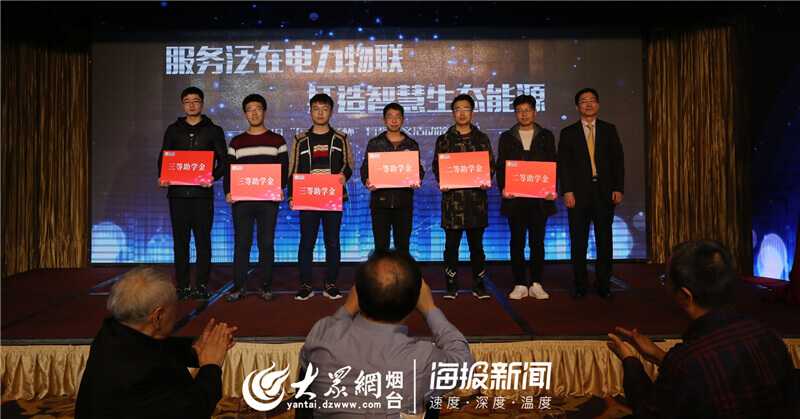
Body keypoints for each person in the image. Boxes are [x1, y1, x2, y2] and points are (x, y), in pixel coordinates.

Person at [607, 239, 799, 417]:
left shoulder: (685, 362)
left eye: (666, 280)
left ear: (686, 296)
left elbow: (648, 412)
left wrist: (629, 360)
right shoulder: (769, 336)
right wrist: (658, 355)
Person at [298, 249, 474, 417]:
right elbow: (465, 363)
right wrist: (430, 309)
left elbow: (309, 361)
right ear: (415, 301)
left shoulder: (322, 335)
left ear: (357, 293)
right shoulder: (422, 360)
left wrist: (348, 307)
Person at [75, 266, 237, 418]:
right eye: (174, 307)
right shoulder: (141, 375)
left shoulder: (112, 332)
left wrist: (195, 348)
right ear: (157, 316)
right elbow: (195, 409)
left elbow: (157, 347)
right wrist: (211, 366)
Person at [157, 87, 227, 303]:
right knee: (180, 243)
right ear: (182, 104)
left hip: (202, 195)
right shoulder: (173, 130)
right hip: (177, 195)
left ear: (202, 103)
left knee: (203, 242)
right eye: (187, 101)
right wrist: (162, 176)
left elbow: (224, 160)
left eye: (195, 101)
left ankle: (202, 285)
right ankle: (183, 286)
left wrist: (213, 177)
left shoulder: (213, 130)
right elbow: (164, 157)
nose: (191, 105)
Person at [557, 88, 624, 299]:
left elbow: (617, 160)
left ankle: (604, 284)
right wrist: (567, 191)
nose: (588, 104)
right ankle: (580, 285)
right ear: (577, 107)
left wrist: (618, 187)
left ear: (598, 104)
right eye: (584, 101)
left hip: (605, 193)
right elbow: (564, 165)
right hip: (578, 194)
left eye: (592, 100)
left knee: (605, 241)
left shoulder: (609, 129)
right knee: (578, 242)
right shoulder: (568, 132)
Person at [288, 93, 355, 301]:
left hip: (332, 197)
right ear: (310, 112)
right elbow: (293, 168)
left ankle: (331, 284)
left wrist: (344, 176)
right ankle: (306, 285)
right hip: (308, 197)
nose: (320, 113)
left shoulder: (341, 138)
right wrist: (291, 196)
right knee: (306, 242)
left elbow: (349, 163)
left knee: (332, 243)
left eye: (325, 109)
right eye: (316, 108)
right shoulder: (300, 139)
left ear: (331, 112)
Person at [223, 94, 288, 302]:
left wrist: (280, 188)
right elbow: (229, 169)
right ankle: (239, 287)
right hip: (242, 201)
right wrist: (228, 191)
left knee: (266, 244)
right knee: (242, 244)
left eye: (258, 109)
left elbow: (283, 169)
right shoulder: (237, 142)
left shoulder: (277, 140)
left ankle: (264, 287)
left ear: (265, 112)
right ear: (244, 114)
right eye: (250, 110)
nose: (254, 113)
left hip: (268, 201)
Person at [432, 94, 496, 300]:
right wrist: (442, 180)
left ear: (472, 113)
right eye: (458, 109)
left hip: (476, 203)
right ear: (453, 114)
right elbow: (437, 166)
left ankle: (479, 284)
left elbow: (490, 165)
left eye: (466, 109)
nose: (462, 113)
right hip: (452, 204)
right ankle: (451, 285)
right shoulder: (444, 139)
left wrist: (486, 179)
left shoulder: (482, 138)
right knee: (451, 248)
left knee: (477, 248)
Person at [496, 95, 558, 300]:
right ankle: (520, 283)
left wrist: (552, 188)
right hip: (516, 200)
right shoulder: (507, 137)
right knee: (517, 243)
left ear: (535, 112)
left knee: (537, 243)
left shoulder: (546, 136)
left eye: (528, 110)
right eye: (520, 111)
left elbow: (552, 163)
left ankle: (536, 283)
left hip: (540, 200)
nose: (524, 114)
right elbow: (501, 166)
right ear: (515, 113)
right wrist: (503, 189)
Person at [360, 103, 425, 254]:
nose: (394, 121)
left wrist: (418, 179)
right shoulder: (375, 143)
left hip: (403, 203)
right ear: (384, 120)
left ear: (403, 120)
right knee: (381, 247)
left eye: (398, 117)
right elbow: (365, 169)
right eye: (390, 117)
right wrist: (367, 181)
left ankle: (401, 271)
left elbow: (418, 169)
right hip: (380, 203)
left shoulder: (411, 144)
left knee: (403, 247)